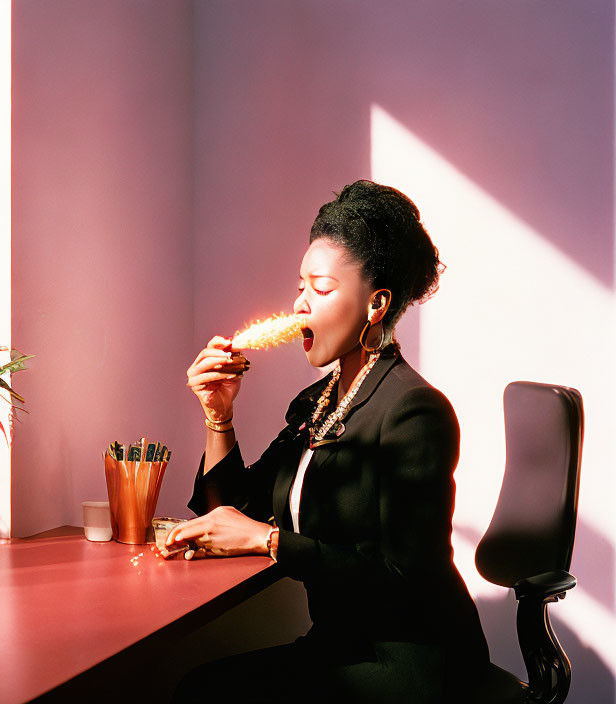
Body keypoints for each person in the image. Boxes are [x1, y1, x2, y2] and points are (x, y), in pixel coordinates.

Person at [166, 180, 489, 703]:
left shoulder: (414, 412)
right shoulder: (316, 402)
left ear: (376, 303)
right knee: (201, 687)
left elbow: (406, 578)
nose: (299, 305)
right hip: (338, 646)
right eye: (300, 286)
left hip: (414, 664)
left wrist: (268, 541)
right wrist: (219, 416)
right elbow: (230, 514)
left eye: (320, 288)